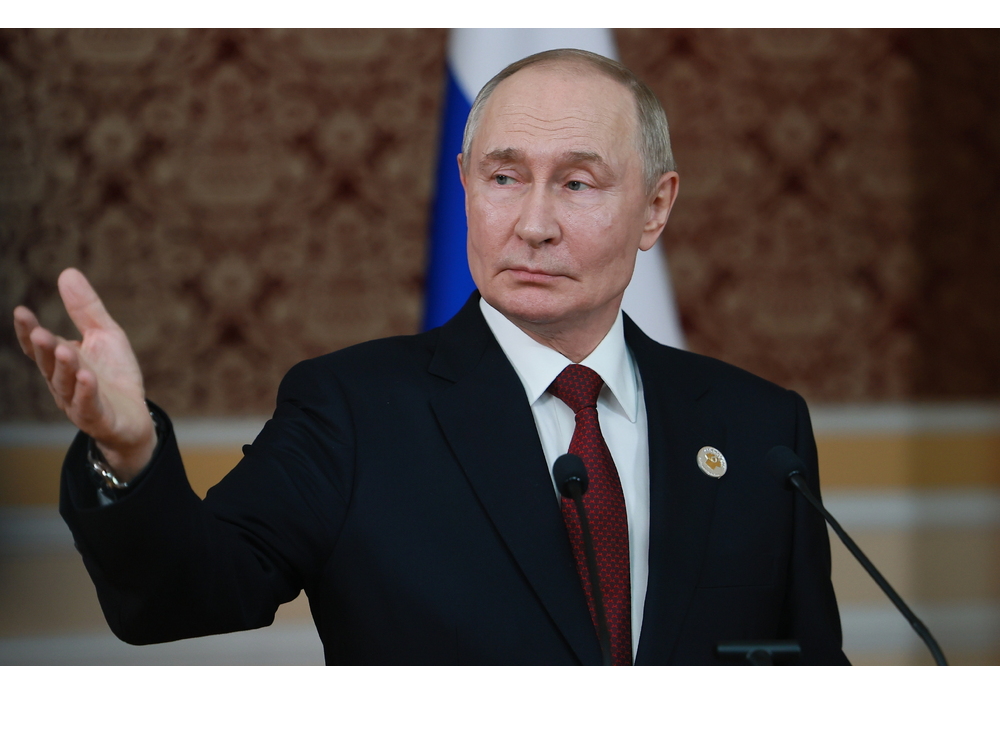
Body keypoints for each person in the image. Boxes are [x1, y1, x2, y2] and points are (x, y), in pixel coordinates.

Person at [12, 49, 849, 665]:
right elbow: (183, 594)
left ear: (655, 208)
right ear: (465, 183)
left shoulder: (758, 430)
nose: (534, 224)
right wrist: (129, 453)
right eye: (504, 178)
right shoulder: (352, 412)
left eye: (577, 183)